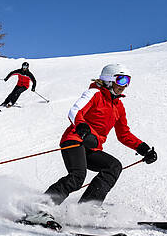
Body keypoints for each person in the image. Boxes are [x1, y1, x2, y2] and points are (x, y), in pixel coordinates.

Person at [24, 63, 157, 227]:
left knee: (113, 166)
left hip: (92, 146)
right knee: (77, 177)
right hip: (74, 139)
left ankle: (88, 207)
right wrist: (82, 127)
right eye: (121, 79)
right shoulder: (94, 93)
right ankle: (38, 211)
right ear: (109, 80)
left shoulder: (118, 106)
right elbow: (74, 111)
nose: (125, 85)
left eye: (128, 80)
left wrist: (143, 148)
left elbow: (124, 134)